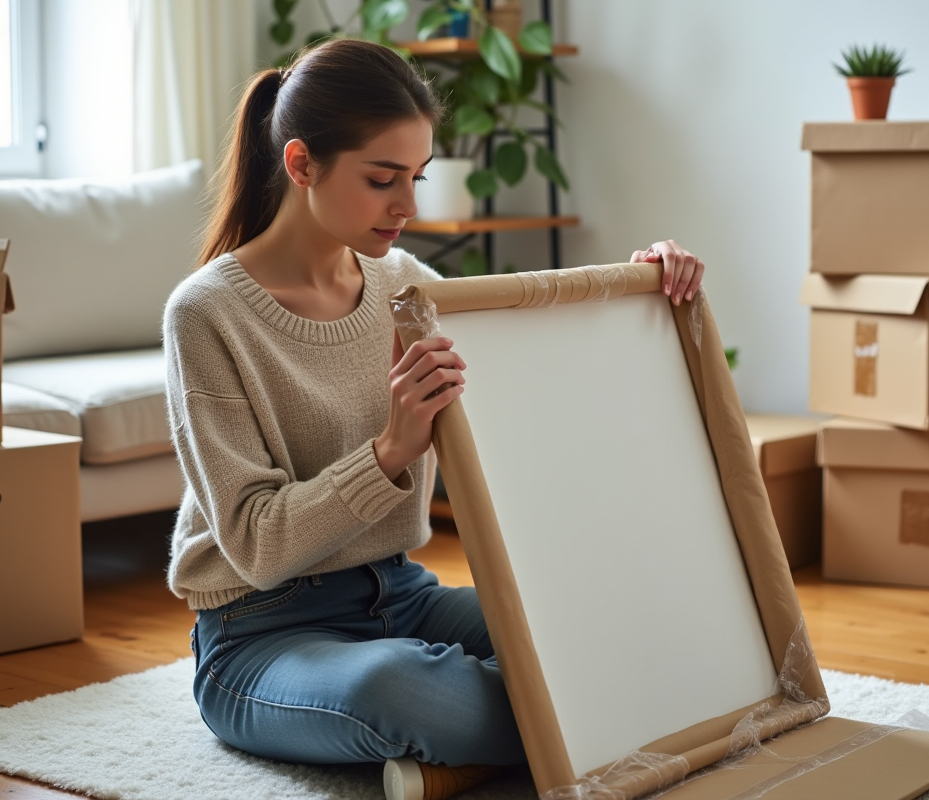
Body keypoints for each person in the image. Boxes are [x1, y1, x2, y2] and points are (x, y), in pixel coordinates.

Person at [162, 38, 705, 800]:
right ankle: (536, 732)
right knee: (408, 689)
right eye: (383, 179)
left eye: (414, 178)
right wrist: (389, 453)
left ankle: (464, 760)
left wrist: (642, 283)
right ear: (300, 164)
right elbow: (253, 544)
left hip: (400, 593)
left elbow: (531, 358)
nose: (408, 206)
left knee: (610, 635)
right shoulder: (206, 314)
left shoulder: (406, 285)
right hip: (260, 633)